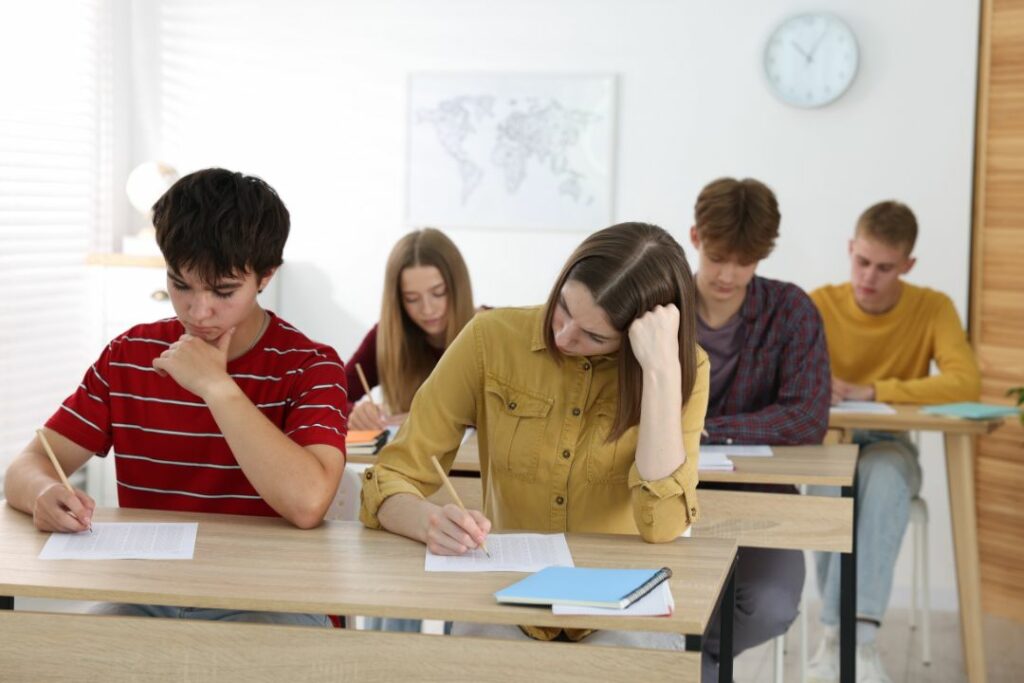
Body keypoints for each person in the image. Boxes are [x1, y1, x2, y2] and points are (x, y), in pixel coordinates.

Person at [3, 168, 348, 626]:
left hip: (272, 598)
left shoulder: (312, 366)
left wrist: (216, 387)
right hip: (147, 592)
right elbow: (26, 468)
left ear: (266, 276)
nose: (197, 311)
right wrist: (45, 492)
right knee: (64, 653)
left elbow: (307, 503)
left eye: (223, 291)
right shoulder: (130, 355)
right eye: (180, 285)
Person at [360, 221, 709, 647]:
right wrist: (428, 521)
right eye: (562, 306)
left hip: (622, 604)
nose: (562, 336)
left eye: (594, 335)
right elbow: (390, 478)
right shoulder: (489, 338)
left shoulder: (682, 369)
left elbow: (664, 526)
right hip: (504, 597)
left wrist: (660, 373)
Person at [807, 201, 981, 683]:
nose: (869, 276)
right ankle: (832, 638)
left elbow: (965, 383)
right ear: (850, 249)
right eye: (862, 262)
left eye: (885, 267)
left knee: (880, 473)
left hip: (890, 445)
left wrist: (873, 390)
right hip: (828, 444)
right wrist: (824, 385)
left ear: (908, 265)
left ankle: (857, 643)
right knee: (829, 482)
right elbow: (789, 379)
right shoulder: (819, 302)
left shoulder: (933, 307)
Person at [690, 177, 831, 679]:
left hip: (759, 496)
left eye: (744, 261)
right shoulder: (657, 306)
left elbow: (807, 417)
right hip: (660, 492)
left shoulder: (791, 310)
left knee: (771, 605)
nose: (728, 274)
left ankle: (687, 658)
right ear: (695, 238)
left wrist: (706, 430)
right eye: (718, 256)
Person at [346, 228, 475, 431]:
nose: (427, 309)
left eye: (438, 293)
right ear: (397, 300)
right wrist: (355, 414)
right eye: (411, 299)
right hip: (411, 462)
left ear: (458, 287)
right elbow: (330, 399)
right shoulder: (386, 337)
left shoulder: (491, 331)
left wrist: (428, 418)